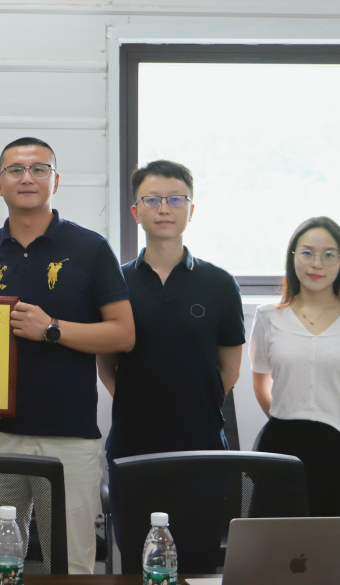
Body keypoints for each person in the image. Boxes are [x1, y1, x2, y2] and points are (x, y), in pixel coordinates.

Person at [0, 137, 134, 575]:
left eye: (39, 168)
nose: (27, 178)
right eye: (15, 169)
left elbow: (123, 334)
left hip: (69, 435)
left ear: (55, 181)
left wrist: (51, 329)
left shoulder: (90, 248)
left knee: (72, 564)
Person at [251, 216, 340, 573]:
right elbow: (261, 383)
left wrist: (335, 424)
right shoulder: (268, 317)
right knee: (277, 562)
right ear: (293, 257)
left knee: (339, 565)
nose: (317, 263)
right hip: (281, 451)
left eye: (329, 254)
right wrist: (290, 420)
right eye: (307, 253)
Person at [100, 160, 245, 467]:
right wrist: (137, 406)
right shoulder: (115, 283)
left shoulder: (220, 283)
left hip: (202, 442)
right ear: (136, 212)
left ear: (190, 211)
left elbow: (230, 369)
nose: (164, 209)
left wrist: (193, 410)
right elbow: (106, 365)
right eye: (152, 199)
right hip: (131, 442)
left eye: (176, 199)